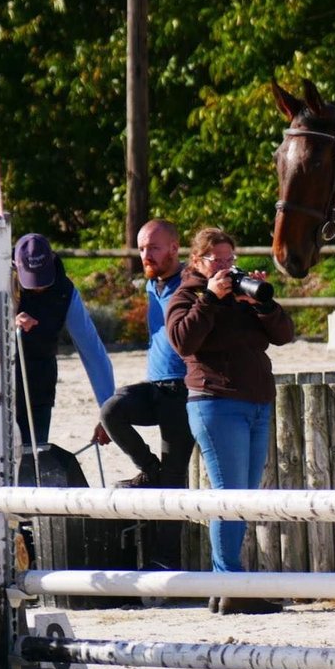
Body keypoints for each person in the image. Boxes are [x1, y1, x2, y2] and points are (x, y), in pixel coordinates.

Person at [166, 227, 294, 615]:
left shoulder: (241, 297)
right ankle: (229, 583)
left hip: (256, 402)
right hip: (216, 403)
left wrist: (261, 303)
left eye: (229, 260)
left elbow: (285, 335)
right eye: (216, 261)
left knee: (245, 496)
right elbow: (183, 341)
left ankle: (227, 586)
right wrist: (211, 298)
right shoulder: (186, 296)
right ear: (197, 262)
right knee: (227, 495)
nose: (224, 267)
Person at [99, 218, 194, 572]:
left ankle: (166, 562)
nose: (146, 254)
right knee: (111, 411)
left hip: (183, 390)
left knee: (174, 480)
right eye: (141, 248)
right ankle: (147, 469)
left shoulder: (190, 282)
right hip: (154, 386)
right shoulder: (151, 286)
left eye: (153, 247)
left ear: (174, 247)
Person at [13, 233, 114, 449]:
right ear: (16, 266)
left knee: (33, 462)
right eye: (31, 281)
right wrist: (8, 324)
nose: (38, 288)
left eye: (42, 279)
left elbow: (93, 351)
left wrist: (109, 412)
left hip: (39, 387)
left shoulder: (64, 292)